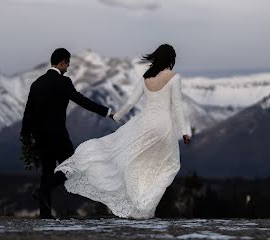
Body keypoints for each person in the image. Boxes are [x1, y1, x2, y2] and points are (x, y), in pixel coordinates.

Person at [55, 43, 192, 219]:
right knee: (166, 166)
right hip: (163, 127)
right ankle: (145, 206)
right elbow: (178, 106)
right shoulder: (174, 78)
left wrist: (117, 116)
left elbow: (130, 103)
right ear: (171, 59)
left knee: (141, 165)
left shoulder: (146, 78)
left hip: (145, 125)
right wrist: (184, 131)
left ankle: (143, 206)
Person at [20, 48, 113, 219]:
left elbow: (28, 112)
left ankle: (45, 213)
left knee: (47, 172)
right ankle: (42, 190)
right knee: (72, 167)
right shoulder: (63, 82)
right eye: (67, 63)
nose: (68, 67)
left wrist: (25, 136)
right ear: (62, 62)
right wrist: (106, 112)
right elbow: (81, 100)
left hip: (40, 137)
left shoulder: (37, 83)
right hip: (58, 136)